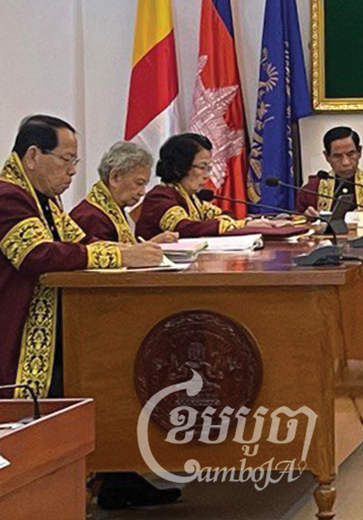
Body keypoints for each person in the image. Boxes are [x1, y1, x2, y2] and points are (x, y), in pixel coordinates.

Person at [0, 116, 162, 397]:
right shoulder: (8, 197)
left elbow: (81, 242)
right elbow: (36, 254)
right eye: (67, 160)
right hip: (15, 326)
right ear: (33, 156)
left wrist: (127, 251)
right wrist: (121, 258)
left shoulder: (46, 200)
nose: (73, 172)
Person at [135, 133, 284, 238]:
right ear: (180, 167)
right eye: (202, 167)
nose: (207, 175)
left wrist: (248, 222)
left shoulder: (191, 198)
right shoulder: (160, 197)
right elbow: (185, 229)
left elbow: (224, 216)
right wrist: (242, 226)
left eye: (208, 168)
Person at [70, 141, 178, 244]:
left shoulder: (112, 209)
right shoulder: (91, 218)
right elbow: (113, 260)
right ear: (115, 177)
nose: (142, 192)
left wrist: (154, 243)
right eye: (139, 183)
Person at [295, 127, 363, 219]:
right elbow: (296, 225)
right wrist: (307, 220)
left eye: (351, 154)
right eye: (337, 156)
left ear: (360, 151)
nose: (346, 162)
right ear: (327, 157)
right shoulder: (311, 191)